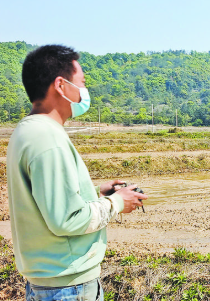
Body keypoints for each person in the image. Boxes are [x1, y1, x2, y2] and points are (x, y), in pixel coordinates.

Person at [7, 44, 147, 301]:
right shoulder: (48, 138)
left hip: (49, 282)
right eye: (81, 83)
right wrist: (116, 202)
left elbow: (47, 200)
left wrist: (95, 192)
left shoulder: (27, 131)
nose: (85, 91)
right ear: (61, 86)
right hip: (67, 287)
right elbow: (67, 219)